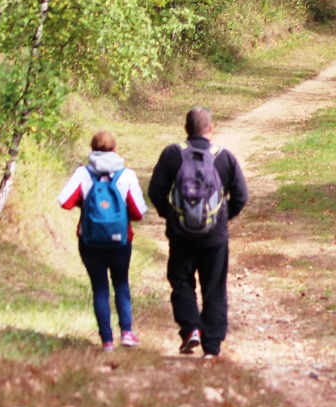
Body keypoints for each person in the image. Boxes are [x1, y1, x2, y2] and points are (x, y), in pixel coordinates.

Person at [148, 107, 249, 358]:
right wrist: (223, 218)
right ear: (210, 129)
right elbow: (241, 196)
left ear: (186, 129)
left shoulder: (173, 154)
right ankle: (212, 348)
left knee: (181, 281)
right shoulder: (224, 157)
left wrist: (171, 216)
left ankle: (191, 328)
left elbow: (155, 191)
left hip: (181, 235)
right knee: (214, 287)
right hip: (214, 238)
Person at [57, 130, 148, 351]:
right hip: (120, 241)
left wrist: (87, 204)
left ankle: (107, 341)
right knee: (121, 284)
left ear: (92, 149)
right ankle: (127, 332)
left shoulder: (83, 173)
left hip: (89, 241)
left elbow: (65, 202)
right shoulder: (126, 175)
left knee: (100, 288)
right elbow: (138, 212)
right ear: (115, 149)